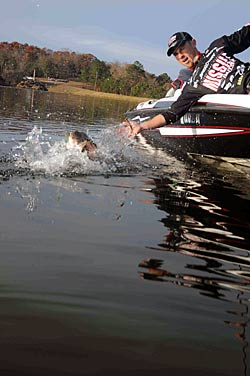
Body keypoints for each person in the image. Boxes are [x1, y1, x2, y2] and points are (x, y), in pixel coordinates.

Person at [124, 24, 250, 136]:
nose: (180, 56)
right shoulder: (192, 86)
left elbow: (244, 35)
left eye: (182, 48)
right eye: (176, 54)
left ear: (193, 43)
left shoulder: (216, 48)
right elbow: (171, 114)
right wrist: (142, 126)